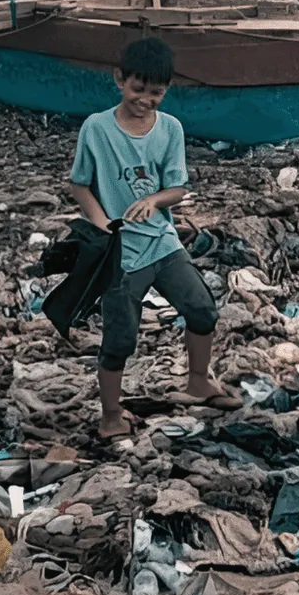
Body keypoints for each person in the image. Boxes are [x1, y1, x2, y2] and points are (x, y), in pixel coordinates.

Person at [67, 37, 238, 439]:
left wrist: (153, 200)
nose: (145, 99)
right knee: (120, 339)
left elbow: (177, 189)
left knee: (202, 309)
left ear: (167, 91)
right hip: (120, 253)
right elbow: (80, 186)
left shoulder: (170, 130)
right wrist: (101, 223)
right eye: (137, 89)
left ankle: (199, 380)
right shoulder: (97, 128)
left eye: (156, 93)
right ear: (119, 80)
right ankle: (111, 415)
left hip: (162, 242)